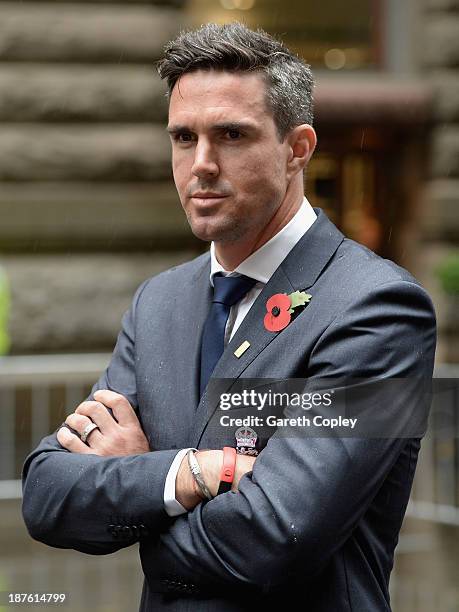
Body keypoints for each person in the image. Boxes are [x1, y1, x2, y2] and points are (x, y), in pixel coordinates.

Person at [22, 22, 436, 611]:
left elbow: (273, 539)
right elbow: (46, 496)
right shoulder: (159, 302)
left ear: (298, 150)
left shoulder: (381, 308)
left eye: (232, 135)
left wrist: (136, 492)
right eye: (184, 137)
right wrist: (194, 473)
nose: (202, 165)